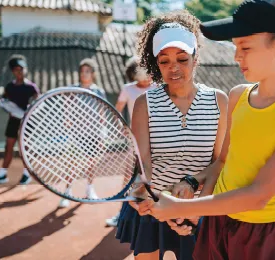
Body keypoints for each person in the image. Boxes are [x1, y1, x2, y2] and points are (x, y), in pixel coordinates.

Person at [150, 0, 275, 259]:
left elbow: (258, 195)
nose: (236, 56)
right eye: (235, 47)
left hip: (263, 236)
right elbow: (223, 162)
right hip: (217, 223)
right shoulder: (237, 96)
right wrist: (194, 197)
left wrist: (179, 208)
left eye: (244, 47)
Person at [115, 10, 228, 260]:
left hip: (199, 209)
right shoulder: (145, 103)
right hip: (153, 205)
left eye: (182, 59)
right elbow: (142, 161)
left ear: (195, 58)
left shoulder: (219, 101)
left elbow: (219, 161)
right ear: (155, 63)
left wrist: (193, 206)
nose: (173, 68)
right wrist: (143, 193)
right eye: (164, 61)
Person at [105, 56, 156, 227]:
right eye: (143, 71)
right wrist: (123, 127)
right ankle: (121, 215)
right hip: (135, 140)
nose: (148, 75)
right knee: (128, 177)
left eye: (149, 71)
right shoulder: (128, 89)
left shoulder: (157, 87)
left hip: (157, 139)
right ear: (135, 74)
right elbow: (117, 111)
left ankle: (157, 213)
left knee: (155, 177)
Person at [58, 58, 108, 208]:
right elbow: (66, 107)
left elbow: (102, 113)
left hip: (94, 134)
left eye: (87, 71)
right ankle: (67, 192)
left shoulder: (98, 91)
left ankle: (89, 189)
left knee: (91, 165)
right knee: (71, 163)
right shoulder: (73, 89)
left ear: (93, 74)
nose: (84, 74)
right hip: (76, 134)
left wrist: (103, 132)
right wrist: (67, 121)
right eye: (82, 71)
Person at [0, 54, 40, 186]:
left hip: (27, 122)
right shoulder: (9, 87)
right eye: (16, 69)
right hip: (13, 121)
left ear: (25, 69)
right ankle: (2, 174)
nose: (20, 71)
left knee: (25, 149)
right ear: (12, 71)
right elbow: (3, 99)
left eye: (22, 68)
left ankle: (27, 174)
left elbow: (38, 101)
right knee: (8, 147)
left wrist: (31, 108)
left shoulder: (31, 87)